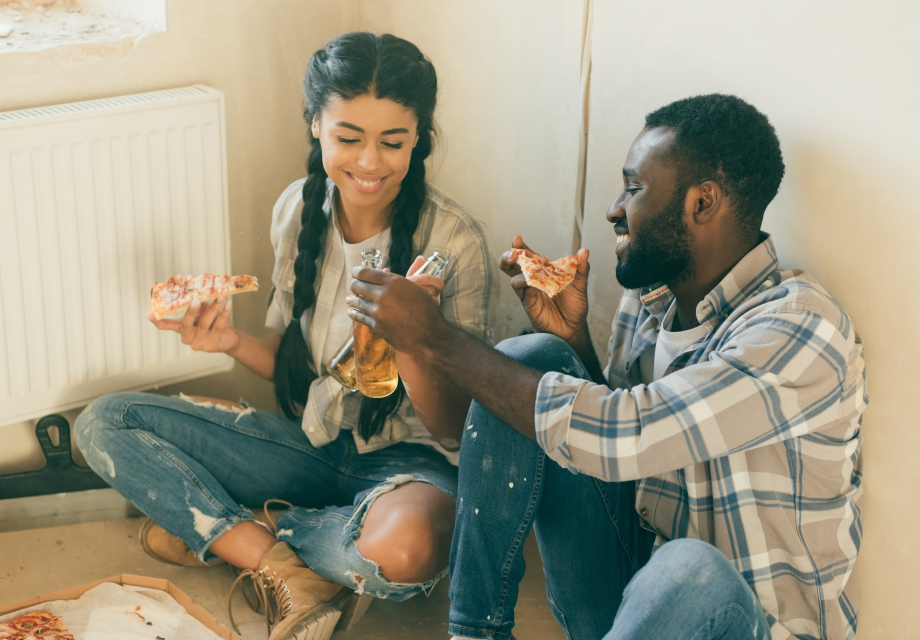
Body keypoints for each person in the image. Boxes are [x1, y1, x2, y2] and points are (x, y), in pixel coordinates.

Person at [346, 94, 867, 640]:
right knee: (533, 360)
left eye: (634, 188)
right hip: (630, 607)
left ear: (702, 202)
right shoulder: (648, 302)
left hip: (742, 622)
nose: (615, 209)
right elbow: (621, 464)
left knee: (689, 568)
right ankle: (474, 632)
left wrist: (432, 337)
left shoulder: (801, 327)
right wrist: (572, 347)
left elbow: (629, 433)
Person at [75, 32, 497, 640]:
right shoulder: (297, 211)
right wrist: (229, 344)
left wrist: (413, 338)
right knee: (103, 424)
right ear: (315, 127)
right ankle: (282, 563)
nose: (369, 162)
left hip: (411, 468)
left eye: (393, 141)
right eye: (348, 138)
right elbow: (297, 367)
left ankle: (235, 533)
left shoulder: (456, 242)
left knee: (405, 555)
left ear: (419, 139)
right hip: (306, 445)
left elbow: (458, 428)